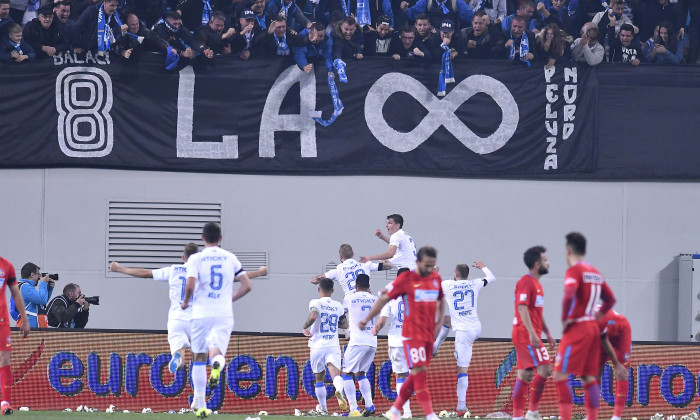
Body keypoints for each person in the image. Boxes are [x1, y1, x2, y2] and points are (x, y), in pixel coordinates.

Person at [359, 246, 444, 420]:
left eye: (432, 265)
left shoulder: (435, 279)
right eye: (427, 265)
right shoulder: (406, 279)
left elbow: (441, 303)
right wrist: (367, 319)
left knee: (415, 375)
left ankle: (395, 410)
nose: (429, 269)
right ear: (418, 262)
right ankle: (430, 414)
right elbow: (384, 299)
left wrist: (438, 327)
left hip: (427, 335)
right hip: (411, 335)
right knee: (418, 375)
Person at [180, 222, 252, 418]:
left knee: (199, 357)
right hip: (224, 313)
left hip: (201, 313)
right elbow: (247, 285)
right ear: (220, 238)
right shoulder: (230, 258)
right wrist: (230, 298)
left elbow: (191, 284)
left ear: (203, 238)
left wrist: (186, 302)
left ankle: (201, 404)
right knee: (215, 350)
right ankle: (218, 363)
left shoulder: (196, 258)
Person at [553, 232, 616, 420]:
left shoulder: (574, 271)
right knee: (589, 378)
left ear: (568, 250)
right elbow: (610, 299)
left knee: (560, 374)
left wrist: (565, 319)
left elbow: (569, 294)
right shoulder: (595, 273)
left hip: (578, 328)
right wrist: (598, 315)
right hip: (593, 329)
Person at [432, 261, 496, 415]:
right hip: (475, 327)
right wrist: (483, 267)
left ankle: (461, 406)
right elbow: (491, 277)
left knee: (462, 369)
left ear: (455, 274)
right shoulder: (475, 283)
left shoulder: (447, 285)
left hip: (463, 332)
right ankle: (435, 347)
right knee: (447, 320)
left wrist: (435, 273)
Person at [510, 246, 555, 420]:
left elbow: (537, 312)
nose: (548, 262)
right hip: (523, 333)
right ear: (537, 264)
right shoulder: (526, 282)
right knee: (544, 368)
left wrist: (548, 332)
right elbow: (522, 308)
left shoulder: (538, 285)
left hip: (530, 333)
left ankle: (520, 415)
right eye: (545, 259)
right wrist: (532, 333)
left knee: (526, 374)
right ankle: (530, 412)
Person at [302, 277, 349, 416]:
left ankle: (324, 409)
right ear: (332, 290)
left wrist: (304, 327)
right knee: (335, 375)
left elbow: (313, 316)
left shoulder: (315, 302)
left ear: (319, 289)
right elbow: (345, 325)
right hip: (333, 344)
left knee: (319, 378)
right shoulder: (338, 306)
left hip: (317, 344)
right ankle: (339, 389)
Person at [372, 267, 412, 418]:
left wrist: (376, 329)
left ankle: (406, 412)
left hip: (397, 340)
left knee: (400, 376)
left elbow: (382, 320)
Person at [340, 274, 378, 417]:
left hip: (357, 341)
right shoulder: (374, 299)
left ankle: (354, 409)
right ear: (369, 286)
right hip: (372, 342)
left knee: (346, 373)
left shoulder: (349, 297)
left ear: (356, 286)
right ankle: (369, 405)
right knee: (361, 373)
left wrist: (346, 330)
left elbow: (341, 314)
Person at [0, 256, 30, 415]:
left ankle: (5, 402)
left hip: (1, 320)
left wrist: (24, 319)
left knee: (4, 359)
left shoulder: (6, 265)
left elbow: (16, 294)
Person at [312, 243, 392, 297]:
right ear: (353, 254)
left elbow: (314, 281)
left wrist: (316, 278)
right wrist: (382, 260)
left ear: (340, 257)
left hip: (351, 303)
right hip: (367, 299)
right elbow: (389, 266)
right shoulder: (365, 265)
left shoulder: (337, 271)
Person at [596, 307, 631, 420]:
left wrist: (616, 364)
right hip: (603, 338)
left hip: (621, 333)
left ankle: (617, 417)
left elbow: (605, 341)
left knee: (621, 372)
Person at [10, 263, 54, 328]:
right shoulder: (25, 287)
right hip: (30, 327)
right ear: (32, 275)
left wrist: (49, 288)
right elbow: (42, 299)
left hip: (33, 326)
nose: (39, 277)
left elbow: (41, 303)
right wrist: (43, 283)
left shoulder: (26, 287)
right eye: (38, 274)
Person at [402, 0, 474, 33]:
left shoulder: (456, 2)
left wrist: (482, 18)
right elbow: (413, 14)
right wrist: (405, 10)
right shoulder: (427, 1)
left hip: (451, 37)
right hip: (432, 36)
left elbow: (470, 17)